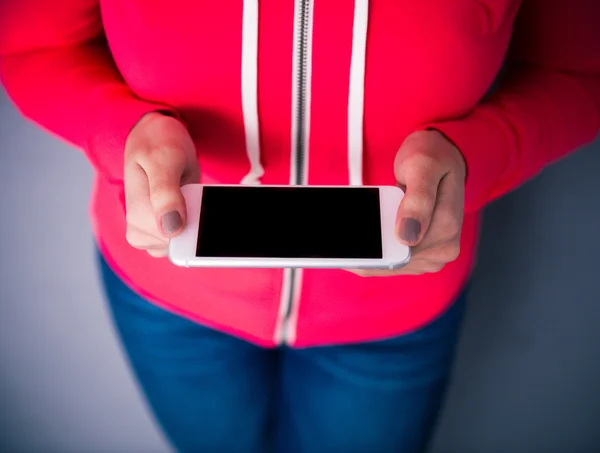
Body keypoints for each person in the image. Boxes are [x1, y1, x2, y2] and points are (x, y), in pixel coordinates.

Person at [1, 1, 599, 452]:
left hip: (395, 309)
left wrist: (477, 157)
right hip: (171, 302)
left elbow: (580, 71)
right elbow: (28, 46)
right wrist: (118, 132)